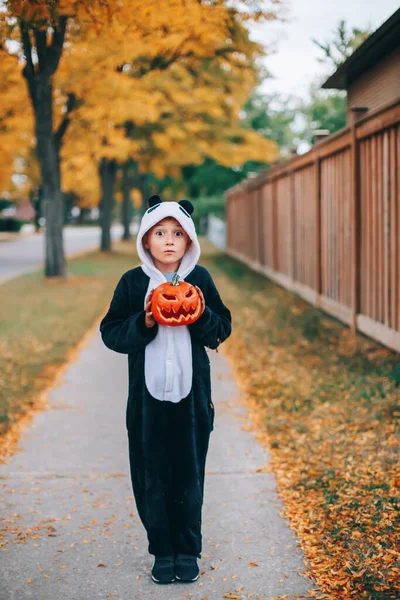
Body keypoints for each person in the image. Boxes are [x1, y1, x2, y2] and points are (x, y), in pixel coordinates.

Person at [99, 195, 232, 585]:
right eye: (160, 233)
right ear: (146, 239)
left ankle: (188, 550)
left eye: (177, 233)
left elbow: (221, 329)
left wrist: (201, 313)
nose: (169, 240)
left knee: (189, 475)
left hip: (192, 399)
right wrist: (143, 322)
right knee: (151, 475)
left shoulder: (200, 280)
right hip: (147, 400)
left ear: (189, 239)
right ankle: (163, 550)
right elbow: (111, 333)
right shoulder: (132, 282)